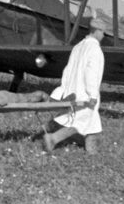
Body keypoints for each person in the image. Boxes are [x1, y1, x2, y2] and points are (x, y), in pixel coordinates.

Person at [42, 13, 108, 154]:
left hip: (73, 90)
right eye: (103, 32)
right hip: (85, 92)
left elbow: (68, 69)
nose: (103, 35)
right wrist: (93, 95)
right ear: (97, 31)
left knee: (89, 119)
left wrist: (64, 89)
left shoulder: (78, 47)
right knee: (81, 121)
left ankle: (92, 150)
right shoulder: (95, 49)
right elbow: (91, 75)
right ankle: (53, 138)